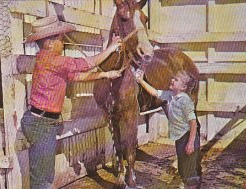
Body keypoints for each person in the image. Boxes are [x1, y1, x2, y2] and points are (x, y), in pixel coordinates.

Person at [21, 16, 122, 189]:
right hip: (42, 123)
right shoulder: (53, 60)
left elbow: (76, 76)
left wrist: (104, 75)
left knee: (44, 173)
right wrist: (111, 48)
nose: (63, 43)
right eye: (60, 40)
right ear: (49, 43)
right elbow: (86, 64)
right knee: (43, 178)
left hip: (41, 121)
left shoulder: (47, 60)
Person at [135, 70, 201, 189]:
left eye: (175, 80)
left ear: (183, 87)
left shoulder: (185, 101)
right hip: (180, 138)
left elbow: (193, 123)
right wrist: (140, 81)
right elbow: (155, 93)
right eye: (173, 78)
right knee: (182, 169)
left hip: (188, 137)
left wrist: (191, 143)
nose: (172, 80)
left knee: (190, 172)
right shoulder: (169, 95)